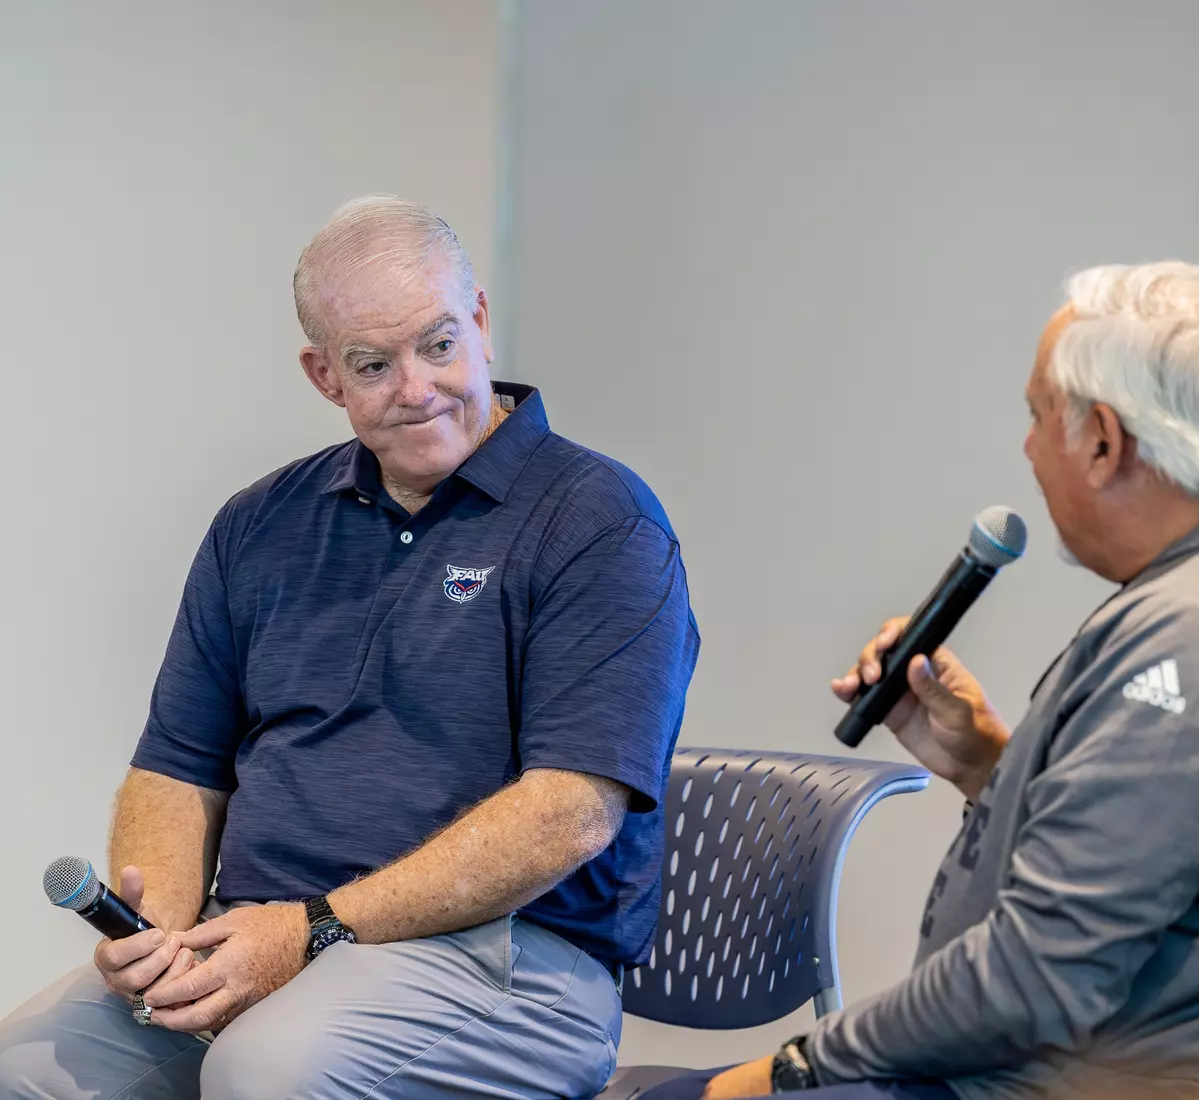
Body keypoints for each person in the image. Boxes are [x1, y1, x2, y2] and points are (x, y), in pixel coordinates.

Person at [0, 196, 699, 1099]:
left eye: (439, 345)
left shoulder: (599, 521)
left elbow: (571, 811)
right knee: (25, 1070)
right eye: (373, 363)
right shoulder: (258, 525)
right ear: (323, 375)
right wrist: (164, 936)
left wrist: (314, 930)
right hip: (260, 937)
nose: (416, 388)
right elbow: (177, 766)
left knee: (266, 1073)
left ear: (480, 322)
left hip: (506, 963)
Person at [646, 262, 1199, 1100]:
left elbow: (1034, 980)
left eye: (1038, 416)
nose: (1028, 447)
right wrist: (987, 761)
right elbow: (1178, 860)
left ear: (1103, 442)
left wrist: (793, 1066)